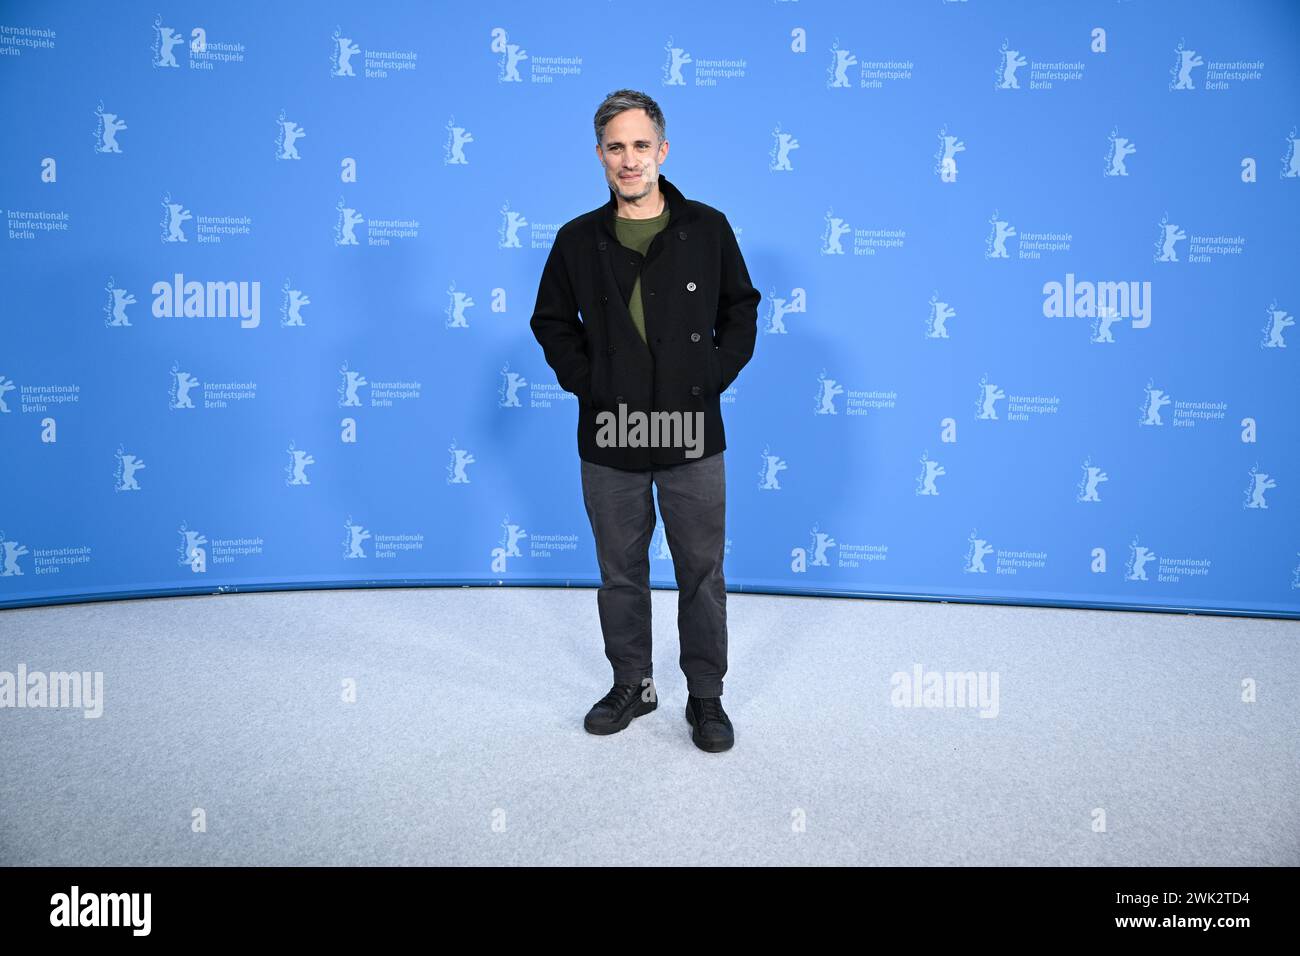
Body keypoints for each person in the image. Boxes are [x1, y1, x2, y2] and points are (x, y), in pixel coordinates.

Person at [529, 89, 761, 752]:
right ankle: (632, 683)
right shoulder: (577, 239)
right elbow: (550, 321)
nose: (629, 160)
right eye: (615, 147)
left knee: (700, 571)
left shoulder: (708, 228)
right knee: (621, 572)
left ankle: (706, 698)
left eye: (640, 145)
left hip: (690, 432)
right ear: (600, 156)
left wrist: (711, 377)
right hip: (611, 432)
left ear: (662, 150)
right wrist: (591, 384)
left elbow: (741, 310)